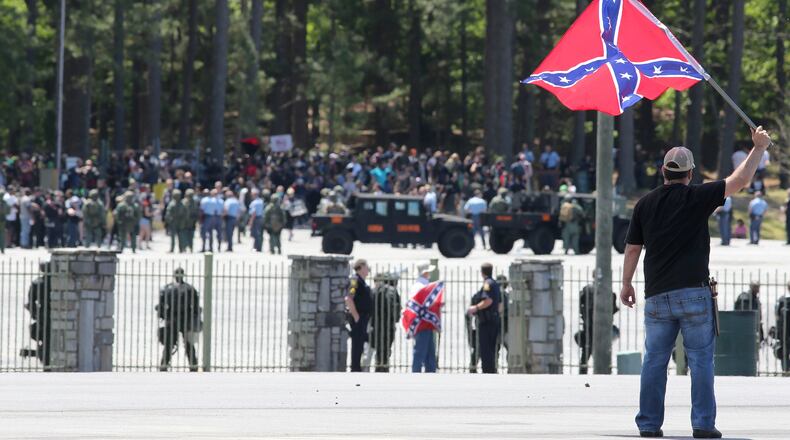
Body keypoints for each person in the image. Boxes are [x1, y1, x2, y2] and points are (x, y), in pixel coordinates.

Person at [620, 126, 771, 439]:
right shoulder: (697, 197)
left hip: (658, 294)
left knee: (654, 361)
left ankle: (648, 424)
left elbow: (633, 247)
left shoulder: (644, 204)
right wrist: (757, 148)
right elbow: (740, 181)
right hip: (693, 293)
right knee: (701, 361)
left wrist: (626, 284)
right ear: (690, 173)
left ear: (663, 171)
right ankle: (702, 424)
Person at [157, 268, 202, 372]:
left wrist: (164, 315)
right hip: (185, 319)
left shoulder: (167, 288)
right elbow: (196, 307)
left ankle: (164, 364)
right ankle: (193, 365)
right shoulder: (190, 288)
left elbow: (161, 306)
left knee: (171, 345)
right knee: (188, 344)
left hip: (173, 319)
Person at [574, 283, 619, 374]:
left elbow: (581, 308)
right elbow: (613, 309)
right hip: (603, 326)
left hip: (588, 326)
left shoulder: (586, 291)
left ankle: (583, 371)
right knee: (602, 350)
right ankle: (603, 370)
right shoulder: (608, 292)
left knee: (586, 350)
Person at [466, 263, 501, 374]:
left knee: (485, 348)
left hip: (487, 321)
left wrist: (476, 308)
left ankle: (488, 371)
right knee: (491, 347)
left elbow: (488, 300)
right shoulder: (495, 284)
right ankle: (491, 370)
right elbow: (500, 304)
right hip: (494, 319)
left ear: (482, 273)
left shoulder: (487, 284)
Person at [21, 261, 52, 367]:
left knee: (45, 339)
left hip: (42, 315)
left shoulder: (37, 283)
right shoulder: (57, 281)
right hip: (48, 315)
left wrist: (35, 314)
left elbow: (30, 302)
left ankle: (43, 358)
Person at [410, 262, 438, 373]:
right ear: (425, 273)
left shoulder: (418, 285)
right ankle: (416, 372)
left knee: (429, 350)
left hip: (423, 321)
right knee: (421, 350)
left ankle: (430, 371)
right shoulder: (422, 286)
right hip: (423, 321)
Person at [370, 272, 402, 372]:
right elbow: (395, 310)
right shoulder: (392, 291)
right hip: (388, 325)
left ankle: (379, 367)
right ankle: (384, 368)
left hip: (375, 325)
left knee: (379, 350)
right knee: (386, 350)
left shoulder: (374, 290)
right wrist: (395, 319)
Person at [346, 259, 372, 372]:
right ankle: (355, 368)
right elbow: (348, 298)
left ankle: (358, 367)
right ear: (360, 267)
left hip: (364, 318)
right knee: (357, 345)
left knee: (361, 344)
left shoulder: (362, 281)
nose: (368, 270)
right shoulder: (354, 281)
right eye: (367, 267)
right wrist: (356, 316)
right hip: (358, 318)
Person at [768, 283, 790, 373]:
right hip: (784, 330)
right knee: (784, 351)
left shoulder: (782, 300)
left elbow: (777, 315)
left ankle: (786, 370)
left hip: (784, 329)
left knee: (784, 351)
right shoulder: (782, 300)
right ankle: (786, 370)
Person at [0, 189, 8, 253]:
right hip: (2, 220)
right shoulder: (4, 202)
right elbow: (8, 211)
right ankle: (2, 249)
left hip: (2, 220)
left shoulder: (5, 202)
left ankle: (2, 249)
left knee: (2, 235)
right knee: (2, 235)